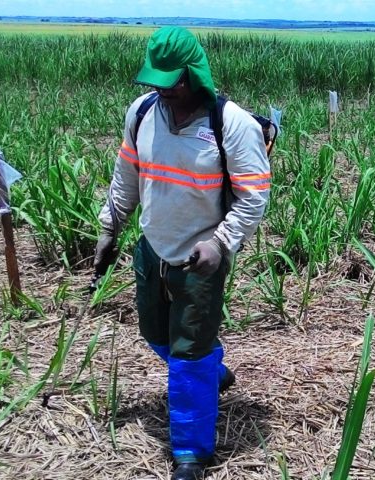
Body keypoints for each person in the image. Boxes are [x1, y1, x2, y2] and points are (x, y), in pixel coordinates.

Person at [93, 26, 270, 480]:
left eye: (170, 82)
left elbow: (253, 196)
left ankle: (191, 453)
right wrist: (109, 227)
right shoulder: (142, 113)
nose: (161, 90)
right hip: (152, 247)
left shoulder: (232, 125)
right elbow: (126, 176)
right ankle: (215, 372)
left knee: (188, 351)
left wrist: (220, 243)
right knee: (154, 332)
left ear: (193, 75)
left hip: (201, 257)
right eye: (155, 81)